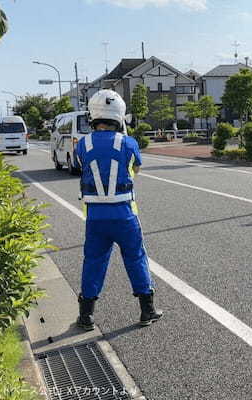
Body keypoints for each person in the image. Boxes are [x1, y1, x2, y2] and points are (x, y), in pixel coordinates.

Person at [73, 89, 163, 331]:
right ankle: (147, 310)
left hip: (95, 217)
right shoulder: (129, 143)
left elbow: (81, 166)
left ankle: (86, 316)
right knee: (135, 258)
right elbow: (136, 170)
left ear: (93, 116)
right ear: (120, 116)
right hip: (124, 215)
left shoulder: (83, 144)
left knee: (93, 261)